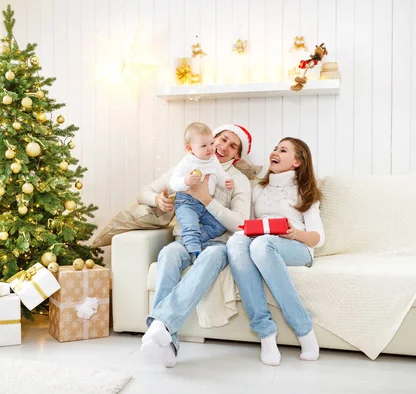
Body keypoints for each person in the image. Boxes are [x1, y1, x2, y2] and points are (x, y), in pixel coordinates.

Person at [137, 124, 253, 368]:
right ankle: (168, 344)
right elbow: (144, 192)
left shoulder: (237, 180)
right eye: (221, 139)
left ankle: (160, 323)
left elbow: (241, 223)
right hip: (183, 240)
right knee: (168, 254)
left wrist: (206, 200)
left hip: (217, 243)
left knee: (210, 258)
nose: (222, 147)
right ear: (209, 141)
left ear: (237, 155)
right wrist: (157, 199)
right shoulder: (188, 165)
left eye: (233, 145)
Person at [226, 137, 325, 366]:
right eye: (274, 148)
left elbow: (318, 238)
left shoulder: (304, 190)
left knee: (262, 245)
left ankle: (304, 330)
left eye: (283, 150)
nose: (275, 152)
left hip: (297, 246)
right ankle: (266, 334)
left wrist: (294, 233)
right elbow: (248, 222)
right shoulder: (258, 189)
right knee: (235, 243)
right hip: (262, 241)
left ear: (297, 162)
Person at [169, 122, 234, 260]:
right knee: (190, 226)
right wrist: (186, 181)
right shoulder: (188, 162)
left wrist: (226, 181)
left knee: (219, 225)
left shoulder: (213, 160)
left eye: (211, 143)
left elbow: (220, 174)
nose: (210, 148)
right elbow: (173, 182)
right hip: (186, 203)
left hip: (204, 204)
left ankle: (193, 239)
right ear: (190, 148)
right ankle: (194, 253)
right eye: (204, 146)